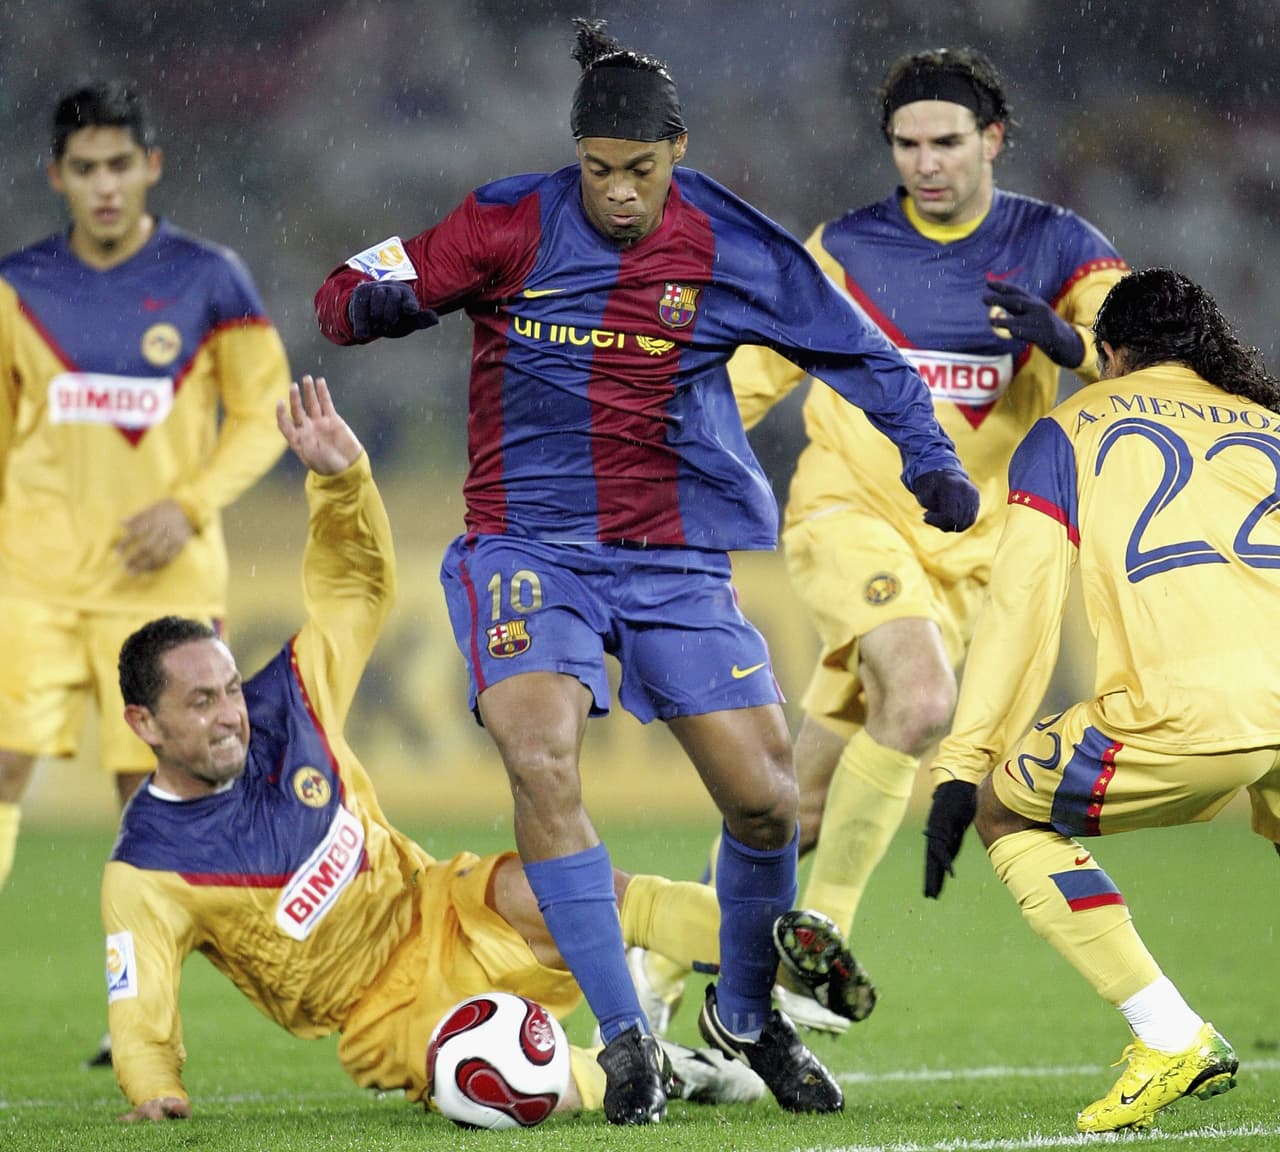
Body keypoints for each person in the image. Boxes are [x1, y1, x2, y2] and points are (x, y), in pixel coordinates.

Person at [315, 19, 978, 1125]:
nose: (615, 194)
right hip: (525, 548)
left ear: (677, 151)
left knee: (765, 804)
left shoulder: (730, 242)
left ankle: (748, 1018)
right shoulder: (506, 221)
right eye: (596, 171)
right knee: (540, 755)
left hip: (670, 557)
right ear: (574, 157)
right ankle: (626, 1039)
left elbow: (858, 351)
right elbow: (346, 291)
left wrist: (930, 459)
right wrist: (376, 301)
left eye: (636, 172)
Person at [102, 374, 766, 1124]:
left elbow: (355, 589)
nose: (231, 715)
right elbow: (140, 1001)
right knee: (484, 1075)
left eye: (227, 688)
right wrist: (156, 1090)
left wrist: (343, 480)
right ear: (144, 725)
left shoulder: (287, 701)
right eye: (200, 703)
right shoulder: (147, 868)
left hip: (437, 906)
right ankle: (669, 1069)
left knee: (571, 888)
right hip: (383, 1014)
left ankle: (776, 955)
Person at [662, 47, 1126, 1035]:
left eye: (945, 143)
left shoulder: (1058, 246)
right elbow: (756, 371)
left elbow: (1144, 356)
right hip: (846, 515)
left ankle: (664, 990)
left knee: (788, 802)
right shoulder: (847, 249)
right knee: (918, 700)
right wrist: (658, 452)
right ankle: (816, 940)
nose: (924, 163)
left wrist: (1072, 347)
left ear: (991, 140)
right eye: (906, 145)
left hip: (965, 552)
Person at [922, 267, 1280, 1133]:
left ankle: (1169, 1035)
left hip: (1179, 714)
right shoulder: (1270, 425)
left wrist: (962, 767)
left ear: (1110, 354)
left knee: (1010, 814)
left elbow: (1021, 609)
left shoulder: (1068, 429)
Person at [0, 82, 291, 924]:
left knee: (150, 785)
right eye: (84, 167)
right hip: (36, 573)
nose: (104, 185)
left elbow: (262, 416)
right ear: (55, 175)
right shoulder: (17, 288)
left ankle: (135, 989)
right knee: (5, 767)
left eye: (119, 164)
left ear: (150, 166)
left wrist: (189, 504)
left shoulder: (210, 280)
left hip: (161, 580)